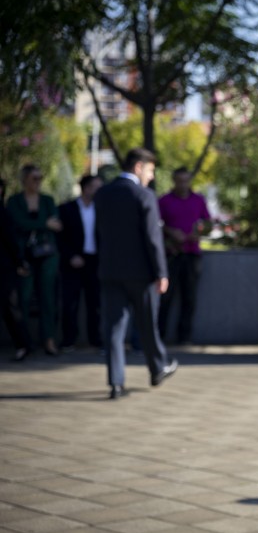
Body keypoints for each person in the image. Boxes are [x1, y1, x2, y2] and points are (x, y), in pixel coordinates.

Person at [95, 148, 178, 399]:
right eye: (151, 170)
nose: (152, 177)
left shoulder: (102, 194)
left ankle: (116, 383)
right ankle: (158, 367)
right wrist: (161, 272)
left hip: (110, 271)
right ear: (139, 167)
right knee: (147, 325)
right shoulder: (143, 195)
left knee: (114, 330)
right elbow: (154, 239)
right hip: (141, 274)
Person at [7, 164, 62, 356]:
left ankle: (48, 340)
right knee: (22, 297)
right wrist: (43, 224)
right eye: (34, 178)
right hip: (24, 255)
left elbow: (56, 224)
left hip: (46, 254)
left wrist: (37, 225)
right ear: (25, 180)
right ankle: (24, 343)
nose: (38, 182)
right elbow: (16, 223)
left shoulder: (47, 200)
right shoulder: (14, 201)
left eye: (40, 178)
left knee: (48, 298)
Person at [158, 167, 212, 344]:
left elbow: (207, 222)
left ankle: (184, 338)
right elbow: (155, 224)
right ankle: (160, 336)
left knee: (189, 298)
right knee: (166, 297)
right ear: (174, 181)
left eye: (186, 181)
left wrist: (199, 231)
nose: (183, 185)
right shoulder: (164, 201)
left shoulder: (198, 200)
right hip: (171, 254)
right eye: (179, 181)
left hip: (192, 254)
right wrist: (171, 232)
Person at [57, 174, 103, 351]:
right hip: (73, 261)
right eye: (96, 187)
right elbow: (60, 237)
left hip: (94, 261)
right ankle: (69, 340)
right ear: (86, 188)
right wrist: (70, 256)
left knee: (95, 303)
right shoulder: (67, 208)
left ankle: (95, 340)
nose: (99, 191)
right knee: (70, 303)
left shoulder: (101, 209)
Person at [0, 178, 30, 361]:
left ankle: (23, 344)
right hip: (7, 266)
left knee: (11, 308)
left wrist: (18, 263)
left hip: (4, 268)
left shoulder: (3, 213)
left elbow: (11, 241)